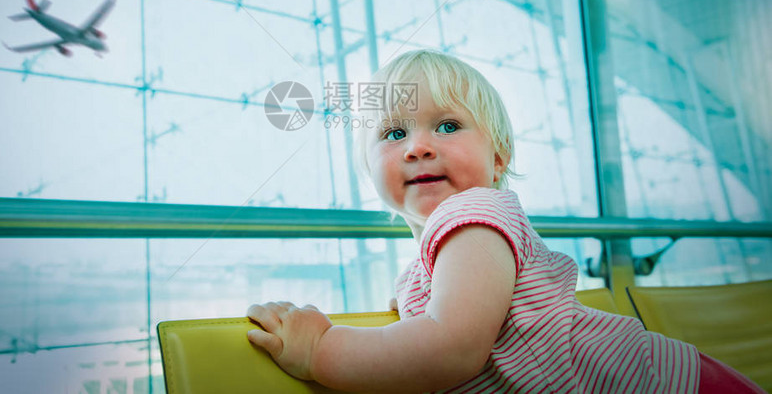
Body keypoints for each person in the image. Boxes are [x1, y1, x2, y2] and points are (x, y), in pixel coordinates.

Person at [246, 50, 763, 393]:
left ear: (498, 159)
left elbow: (452, 350)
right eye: (393, 133)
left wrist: (321, 348)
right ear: (370, 171)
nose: (418, 145)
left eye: (447, 126)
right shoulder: (447, 253)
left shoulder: (474, 215)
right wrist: (409, 300)